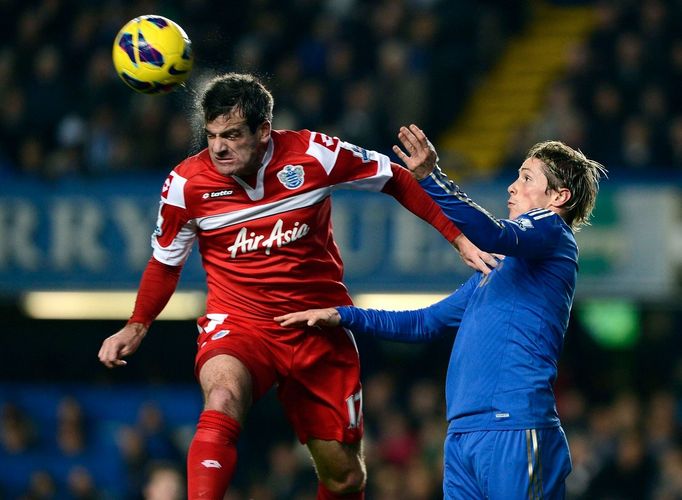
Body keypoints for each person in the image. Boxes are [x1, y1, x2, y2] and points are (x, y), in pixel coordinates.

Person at [97, 74, 495, 500]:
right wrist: (136, 325)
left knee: (345, 478)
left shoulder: (314, 154)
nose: (218, 147)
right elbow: (164, 263)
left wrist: (456, 237)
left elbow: (394, 177)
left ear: (264, 130)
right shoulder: (185, 184)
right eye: (211, 136)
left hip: (318, 324)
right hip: (241, 324)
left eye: (231, 135)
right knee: (223, 394)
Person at [276, 125, 607, 499]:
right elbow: (423, 322)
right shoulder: (496, 271)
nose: (512, 187)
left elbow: (493, 233)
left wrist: (431, 178)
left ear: (559, 196)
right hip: (464, 435)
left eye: (526, 178)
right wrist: (343, 314)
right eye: (516, 176)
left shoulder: (554, 233)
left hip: (515, 427)